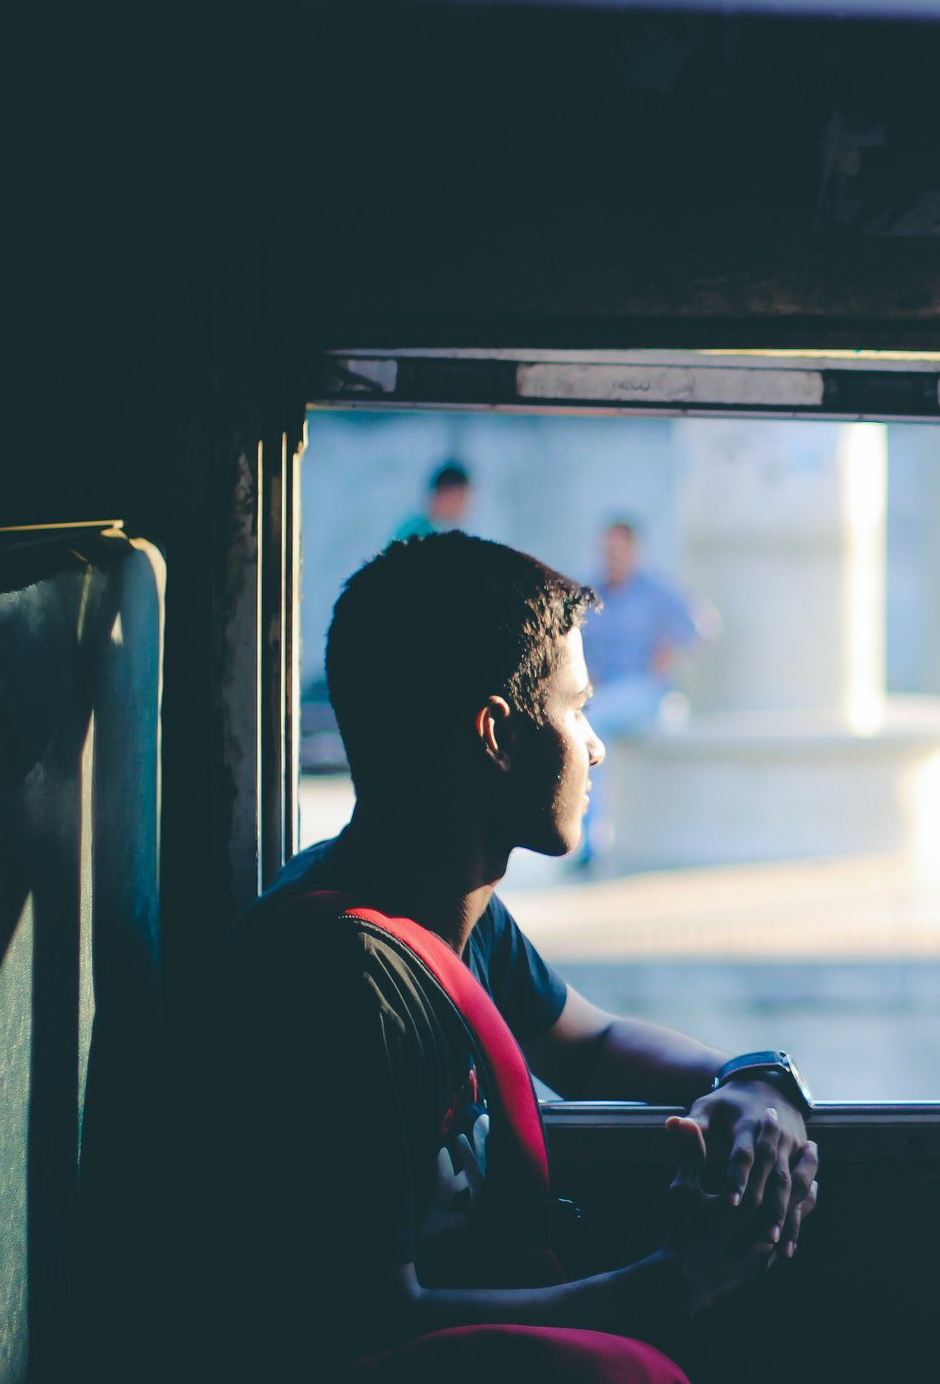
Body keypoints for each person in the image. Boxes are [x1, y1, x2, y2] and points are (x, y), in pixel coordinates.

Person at [189, 532, 817, 1381]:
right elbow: (374, 1317)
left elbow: (586, 1044)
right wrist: (673, 1284)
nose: (594, 747)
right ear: (496, 734)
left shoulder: (449, 901)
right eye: (575, 708)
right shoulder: (334, 979)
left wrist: (749, 1080)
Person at [577, 519, 707, 861]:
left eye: (620, 550)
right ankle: (588, 835)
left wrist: (669, 651)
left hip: (645, 693)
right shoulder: (591, 595)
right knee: (589, 720)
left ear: (634, 552)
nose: (614, 558)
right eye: (609, 551)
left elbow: (700, 626)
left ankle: (592, 839)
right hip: (604, 694)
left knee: (592, 724)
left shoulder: (654, 592)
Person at [391, 461, 474, 543]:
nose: (463, 505)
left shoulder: (438, 531)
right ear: (442, 494)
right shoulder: (419, 533)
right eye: (460, 497)